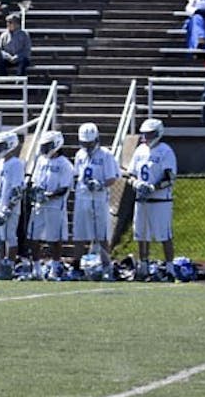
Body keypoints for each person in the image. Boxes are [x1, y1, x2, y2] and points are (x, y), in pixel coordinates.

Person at [129, 118, 177, 280]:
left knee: (164, 235)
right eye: (145, 134)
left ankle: (170, 268)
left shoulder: (165, 151)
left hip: (160, 201)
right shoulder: (139, 150)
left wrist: (153, 187)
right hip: (142, 200)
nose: (147, 137)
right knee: (141, 235)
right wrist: (136, 183)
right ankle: (144, 266)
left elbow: (170, 177)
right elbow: (131, 174)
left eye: (150, 134)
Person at [72, 122, 119, 278]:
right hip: (82, 198)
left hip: (99, 199)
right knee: (79, 235)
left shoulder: (106, 155)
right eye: (84, 143)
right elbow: (77, 175)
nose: (87, 146)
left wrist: (100, 185)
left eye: (89, 142)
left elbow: (112, 178)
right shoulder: (80, 154)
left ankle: (106, 267)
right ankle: (76, 267)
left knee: (102, 235)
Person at [27, 131, 73, 280]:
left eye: (48, 145)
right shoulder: (41, 160)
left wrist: (48, 195)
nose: (45, 148)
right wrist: (35, 191)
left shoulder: (65, 164)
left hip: (55, 206)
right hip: (39, 205)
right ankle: (36, 269)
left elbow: (64, 187)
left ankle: (55, 267)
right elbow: (35, 181)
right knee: (33, 237)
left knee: (54, 239)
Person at [0, 130, 24, 267]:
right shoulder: (1, 162)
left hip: (9, 207)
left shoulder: (16, 164)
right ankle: (1, 261)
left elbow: (17, 189)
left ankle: (9, 264)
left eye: (1, 145)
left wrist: (9, 208)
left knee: (9, 236)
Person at [0, 12, 32, 77]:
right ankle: (3, 80)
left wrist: (17, 57)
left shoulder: (24, 34)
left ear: (17, 24)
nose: (8, 24)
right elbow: (0, 49)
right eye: (7, 22)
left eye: (10, 22)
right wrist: (8, 56)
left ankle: (19, 80)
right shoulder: (3, 35)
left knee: (23, 61)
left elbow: (27, 49)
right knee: (1, 61)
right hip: (8, 59)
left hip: (20, 58)